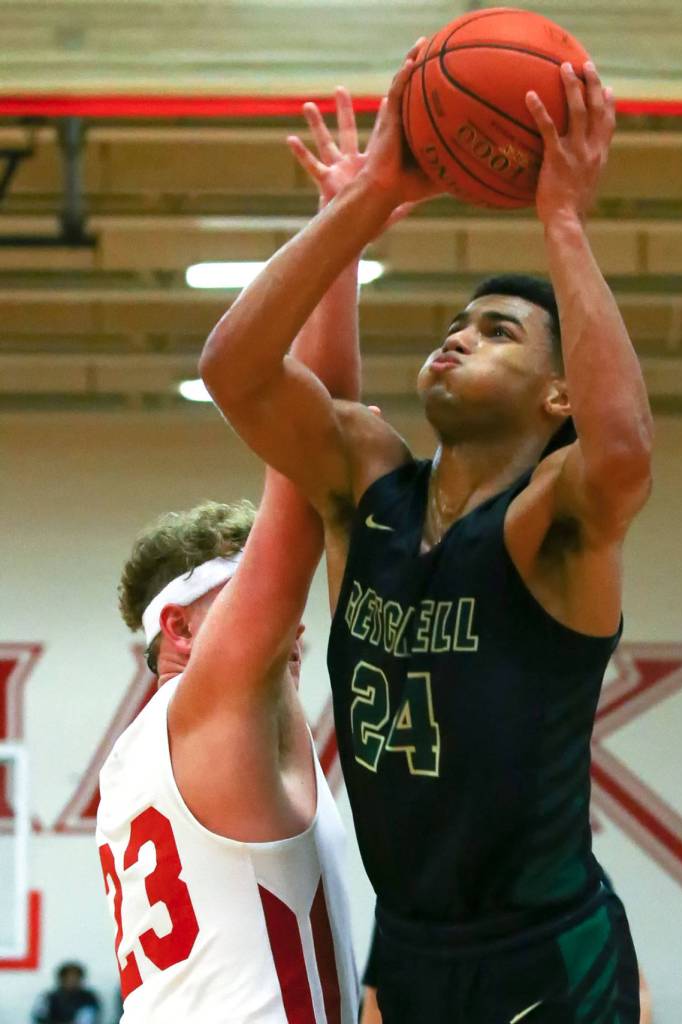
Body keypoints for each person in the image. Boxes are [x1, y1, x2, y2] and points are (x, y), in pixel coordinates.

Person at [201, 43, 652, 1024]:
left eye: (496, 331)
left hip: (541, 955)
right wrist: (361, 204)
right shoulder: (365, 481)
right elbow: (234, 369)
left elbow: (622, 454)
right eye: (455, 321)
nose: (456, 336)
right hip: (404, 946)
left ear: (557, 392)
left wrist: (561, 219)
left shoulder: (550, 524)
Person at [95, 93, 376, 1023]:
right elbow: (309, 459)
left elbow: (322, 443)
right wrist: (347, 225)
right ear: (177, 628)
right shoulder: (207, 700)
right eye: (240, 583)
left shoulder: (145, 758)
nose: (287, 611)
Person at [32, 961, 101, 1024]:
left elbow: (88, 1019)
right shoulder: (48, 997)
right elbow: (40, 1018)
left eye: (75, 977)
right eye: (68, 977)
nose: (72, 981)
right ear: (61, 979)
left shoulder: (89, 998)